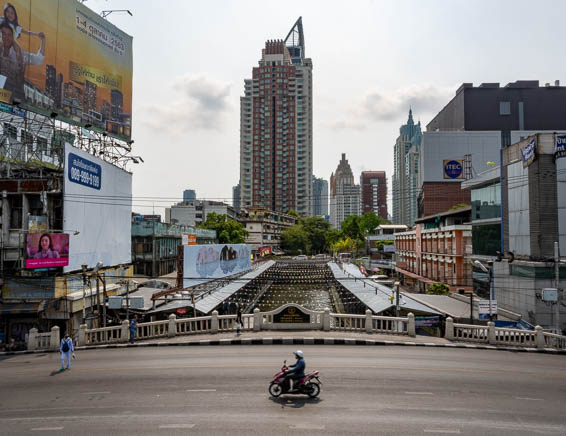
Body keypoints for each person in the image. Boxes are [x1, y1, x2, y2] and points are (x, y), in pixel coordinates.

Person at [0, 20, 45, 103]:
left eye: (9, 35)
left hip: (15, 97)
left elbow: (38, 60)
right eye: (3, 34)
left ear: (13, 37)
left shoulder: (20, 54)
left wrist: (43, 41)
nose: (6, 37)